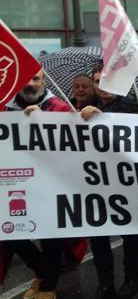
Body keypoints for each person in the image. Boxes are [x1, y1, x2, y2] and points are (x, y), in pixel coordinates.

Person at [4, 69, 73, 299]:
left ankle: (47, 288)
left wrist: (43, 120)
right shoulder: (4, 108)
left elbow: (73, 142)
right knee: (11, 233)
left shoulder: (60, 108)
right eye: (26, 78)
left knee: (50, 236)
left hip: (51, 185)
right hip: (15, 186)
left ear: (44, 81)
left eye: (36, 79)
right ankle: (44, 271)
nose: (30, 83)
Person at [80, 64, 138, 299]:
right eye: (97, 82)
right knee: (98, 235)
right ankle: (105, 281)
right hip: (96, 183)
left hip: (126, 184)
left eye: (108, 80)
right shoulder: (85, 107)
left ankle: (132, 278)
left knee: (130, 234)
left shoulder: (131, 107)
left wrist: (104, 118)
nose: (102, 86)